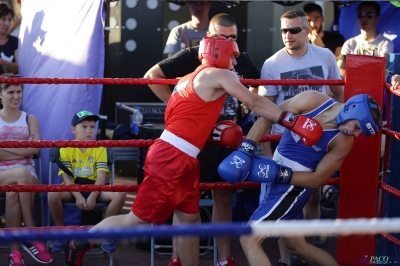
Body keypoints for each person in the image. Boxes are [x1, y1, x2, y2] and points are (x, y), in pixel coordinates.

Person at [65, 36, 323, 266]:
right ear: (218, 54)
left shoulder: (185, 81)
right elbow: (254, 101)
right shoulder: (219, 74)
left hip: (184, 157)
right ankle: (80, 242)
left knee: (190, 221)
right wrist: (290, 120)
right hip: (172, 158)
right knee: (136, 220)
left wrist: (214, 129)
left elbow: (182, 119)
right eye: (232, 56)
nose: (235, 63)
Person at [144, 13, 260, 266]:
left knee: (224, 196)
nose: (228, 42)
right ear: (208, 36)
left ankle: (223, 258)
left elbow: (257, 86)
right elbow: (152, 76)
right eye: (222, 36)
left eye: (233, 37)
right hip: (196, 139)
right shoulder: (192, 55)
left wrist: (245, 108)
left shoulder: (241, 59)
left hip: (228, 139)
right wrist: (176, 106)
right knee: (183, 199)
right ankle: (176, 256)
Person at [217, 90, 381, 266]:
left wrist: (280, 174)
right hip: (274, 172)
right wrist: (247, 149)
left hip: (292, 189)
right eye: (357, 127)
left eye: (360, 132)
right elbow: (268, 114)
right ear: (352, 109)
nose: (355, 134)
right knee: (296, 246)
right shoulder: (314, 101)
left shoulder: (343, 142)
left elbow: (318, 179)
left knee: (249, 239)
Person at [257, 9, 343, 265]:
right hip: (287, 142)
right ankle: (286, 260)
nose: (288, 35)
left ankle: (307, 254)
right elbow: (266, 109)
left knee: (313, 194)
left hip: (321, 138)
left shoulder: (325, 55)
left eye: (294, 30)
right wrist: (265, 151)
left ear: (307, 31)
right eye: (284, 30)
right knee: (285, 202)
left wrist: (342, 124)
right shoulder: (272, 64)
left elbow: (339, 94)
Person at [47, 110, 126, 254]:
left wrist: (92, 196)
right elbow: (66, 178)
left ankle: (103, 232)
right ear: (73, 129)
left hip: (95, 188)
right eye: (84, 127)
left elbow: (101, 177)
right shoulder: (66, 147)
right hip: (73, 189)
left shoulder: (100, 147)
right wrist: (78, 196)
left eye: (92, 126)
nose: (89, 130)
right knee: (52, 194)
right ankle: (60, 233)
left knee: (120, 194)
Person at [0, 73, 53, 265]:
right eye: (11, 92)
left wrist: (3, 148)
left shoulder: (30, 119)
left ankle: (15, 254)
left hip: (28, 174)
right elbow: (29, 149)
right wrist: (23, 150)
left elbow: (35, 148)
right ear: (0, 94)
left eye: (19, 91)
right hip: (2, 174)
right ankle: (31, 233)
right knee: (21, 175)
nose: (16, 96)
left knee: (15, 191)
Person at [337, 1, 394, 78]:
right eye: (360, 15)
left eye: (369, 15)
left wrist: (352, 65)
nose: (364, 18)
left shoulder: (386, 43)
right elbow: (340, 66)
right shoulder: (349, 43)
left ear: (377, 19)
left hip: (375, 88)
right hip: (353, 88)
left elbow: (382, 66)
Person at [0, 3, 18, 74]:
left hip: (11, 82)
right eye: (3, 19)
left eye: (9, 20)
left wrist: (1, 61)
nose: (7, 24)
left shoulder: (14, 41)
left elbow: (18, 68)